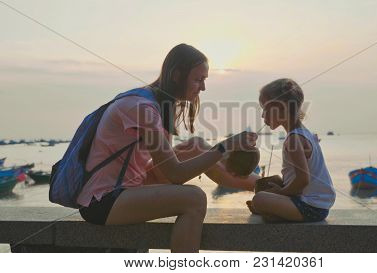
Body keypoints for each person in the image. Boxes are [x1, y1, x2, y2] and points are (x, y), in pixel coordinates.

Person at [76, 44, 257, 252]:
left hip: (130, 187)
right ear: (177, 75)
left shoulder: (159, 104)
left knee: (196, 145)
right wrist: (225, 146)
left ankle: (261, 185)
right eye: (198, 80)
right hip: (102, 200)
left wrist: (217, 154)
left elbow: (164, 169)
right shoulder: (143, 109)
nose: (203, 88)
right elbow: (175, 174)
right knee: (195, 199)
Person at [247, 78, 335, 222]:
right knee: (271, 182)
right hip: (318, 206)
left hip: (310, 208)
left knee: (259, 199)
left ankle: (273, 212)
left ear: (282, 108)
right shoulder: (304, 133)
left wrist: (280, 192)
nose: (262, 115)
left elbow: (303, 179)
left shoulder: (294, 139)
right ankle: (275, 211)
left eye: (265, 109)